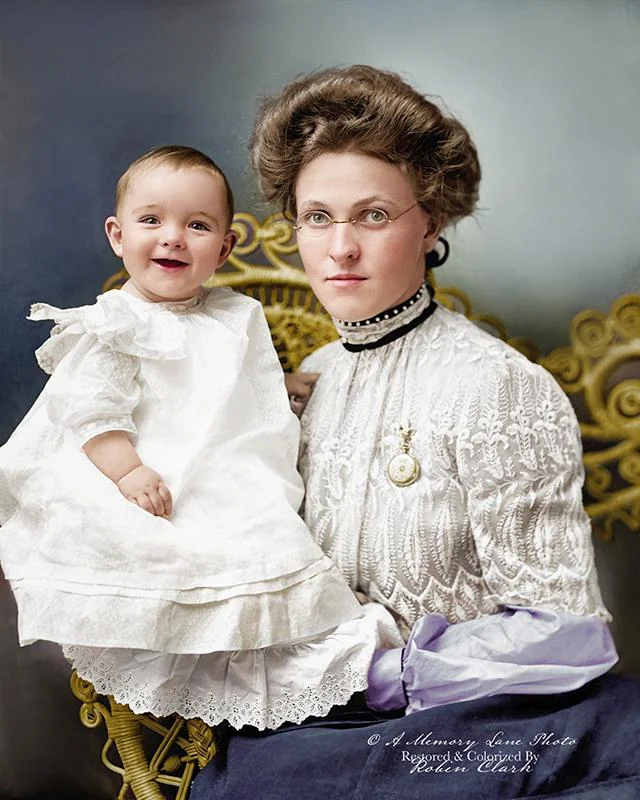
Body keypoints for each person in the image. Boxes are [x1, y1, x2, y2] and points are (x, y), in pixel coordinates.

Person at [191, 66, 640, 799]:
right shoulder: (305, 378)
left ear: (429, 222)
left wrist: (380, 673)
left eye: (372, 215)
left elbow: (569, 634)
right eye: (317, 217)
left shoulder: (497, 386)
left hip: (471, 728)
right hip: (306, 729)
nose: (339, 249)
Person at [0, 145, 392, 731]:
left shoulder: (236, 314)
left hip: (226, 470)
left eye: (198, 225)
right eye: (151, 220)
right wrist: (129, 472)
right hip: (141, 470)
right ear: (117, 234)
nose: (173, 238)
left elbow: (223, 384)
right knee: (179, 552)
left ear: (225, 247)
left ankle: (276, 662)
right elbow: (91, 412)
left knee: (260, 542)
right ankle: (189, 653)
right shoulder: (118, 321)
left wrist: (276, 386)